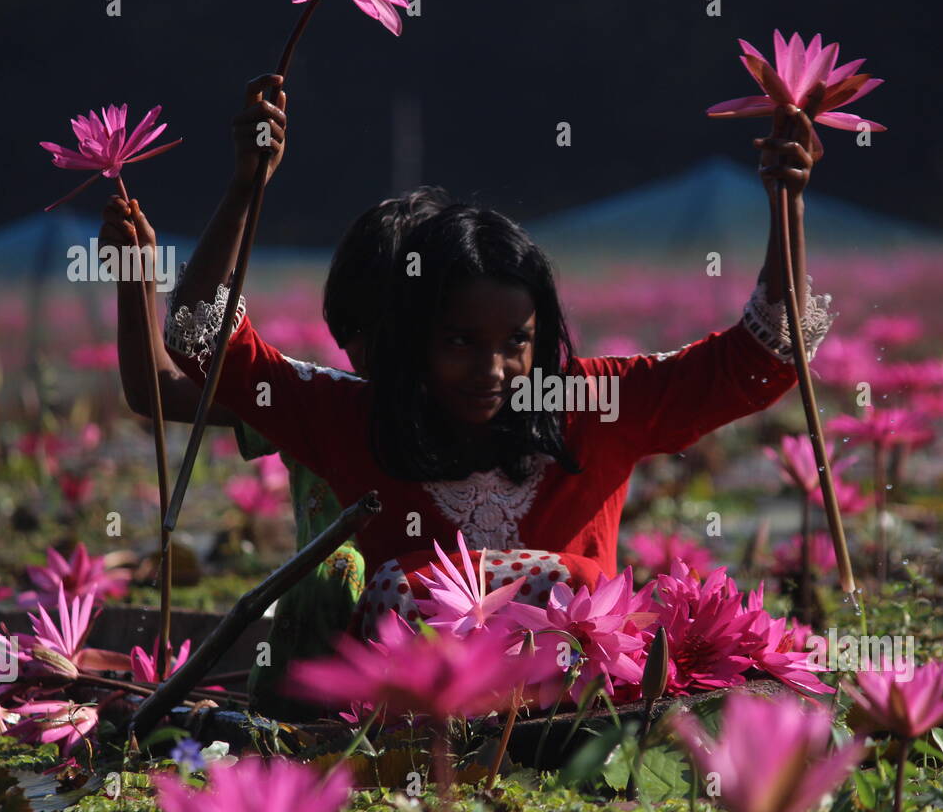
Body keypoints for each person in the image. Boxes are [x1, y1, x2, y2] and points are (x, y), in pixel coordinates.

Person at [164, 72, 833, 635]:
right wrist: (247, 189)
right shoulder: (355, 413)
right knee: (400, 586)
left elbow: (762, 357)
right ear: (410, 340)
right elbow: (203, 343)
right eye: (458, 342)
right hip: (412, 725)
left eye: (516, 343)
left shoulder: (589, 403)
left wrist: (788, 207)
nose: (492, 371)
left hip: (577, 712)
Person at [101, 176, 450, 717]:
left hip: (431, 663)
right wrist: (136, 279)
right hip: (309, 674)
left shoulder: (481, 414)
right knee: (338, 571)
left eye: (399, 330)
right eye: (358, 330)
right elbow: (155, 390)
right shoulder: (321, 403)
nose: (371, 353)